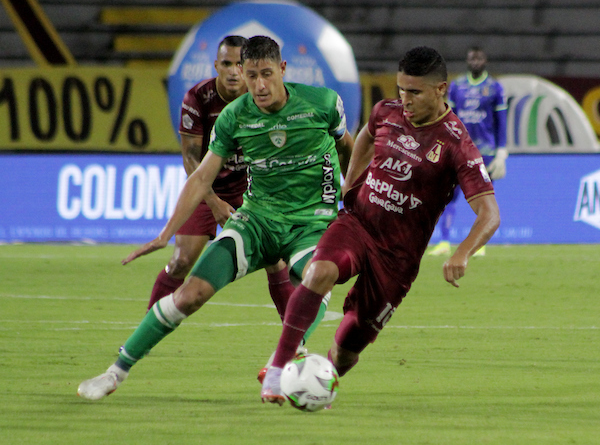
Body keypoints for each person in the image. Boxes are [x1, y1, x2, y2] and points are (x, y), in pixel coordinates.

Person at [77, 35, 354, 401]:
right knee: (190, 295)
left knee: (319, 276)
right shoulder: (235, 115)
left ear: (283, 69)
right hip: (257, 222)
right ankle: (115, 372)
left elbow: (349, 147)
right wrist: (165, 233)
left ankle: (283, 358)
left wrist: (352, 197)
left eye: (266, 74)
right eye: (251, 75)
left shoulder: (322, 104)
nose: (258, 85)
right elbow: (202, 177)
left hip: (311, 224)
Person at [261, 46, 500, 405]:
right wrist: (350, 182)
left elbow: (490, 213)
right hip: (359, 224)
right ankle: (278, 372)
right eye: (401, 89)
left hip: (397, 258)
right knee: (319, 271)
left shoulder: (456, 145)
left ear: (441, 90)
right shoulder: (386, 112)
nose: (405, 99)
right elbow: (367, 137)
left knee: (347, 346)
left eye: (415, 92)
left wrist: (463, 253)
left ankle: (321, 379)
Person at [144, 35, 308, 338]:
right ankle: (148, 326)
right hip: (209, 187)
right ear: (216, 65)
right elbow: (191, 159)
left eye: (238, 65)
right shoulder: (198, 99)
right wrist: (213, 201)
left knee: (276, 261)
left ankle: (295, 345)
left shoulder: (263, 96)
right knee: (181, 261)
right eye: (227, 64)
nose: (234, 71)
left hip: (253, 188)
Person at [429, 46, 507, 257]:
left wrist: (502, 151)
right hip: (458, 149)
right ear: (467, 60)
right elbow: (448, 117)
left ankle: (479, 244)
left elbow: (501, 121)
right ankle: (444, 242)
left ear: (485, 61)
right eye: (472, 58)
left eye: (479, 58)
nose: (475, 62)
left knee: (482, 198)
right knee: (448, 196)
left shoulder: (494, 88)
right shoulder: (457, 86)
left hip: (485, 151)